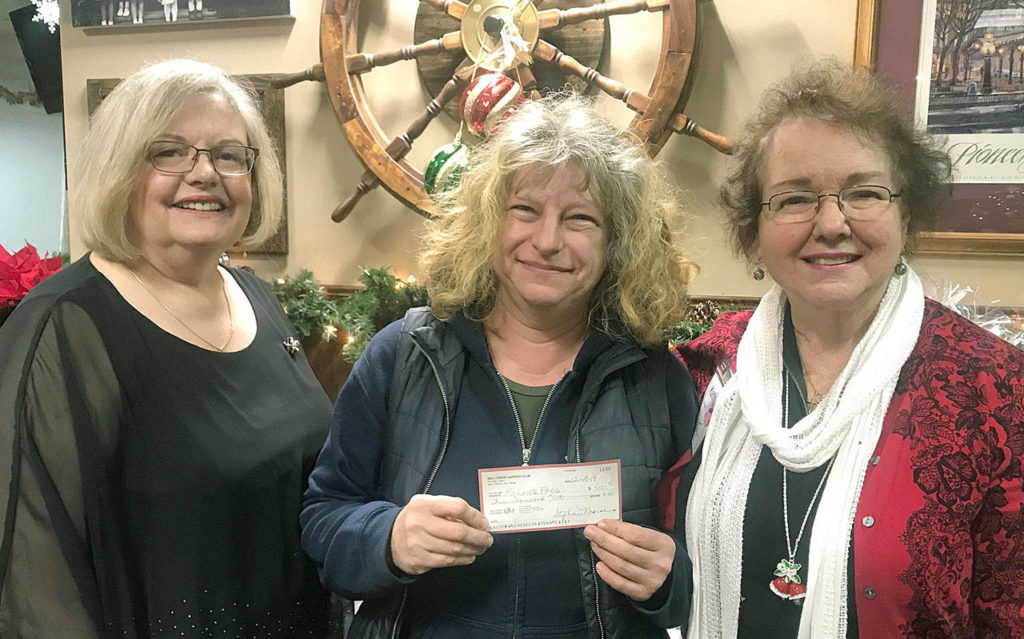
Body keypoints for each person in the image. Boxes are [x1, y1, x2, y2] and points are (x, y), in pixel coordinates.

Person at [301, 94, 698, 638]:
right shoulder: (403, 356)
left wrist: (671, 578)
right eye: (526, 210)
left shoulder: (655, 377)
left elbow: (710, 559)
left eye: (580, 218)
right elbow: (324, 519)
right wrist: (388, 538)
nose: (547, 240)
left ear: (617, 243)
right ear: (489, 222)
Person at [658, 60, 1024, 638]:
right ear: (754, 231)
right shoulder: (708, 368)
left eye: (864, 193)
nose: (832, 223)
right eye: (794, 198)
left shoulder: (996, 389)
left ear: (907, 213)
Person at [0, 60, 335, 637]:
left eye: (229, 155)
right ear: (119, 171)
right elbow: (38, 588)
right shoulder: (64, 329)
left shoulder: (258, 298)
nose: (204, 173)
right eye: (170, 152)